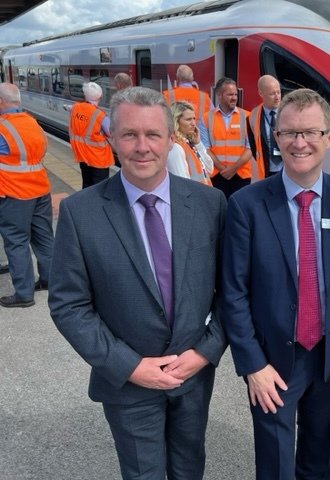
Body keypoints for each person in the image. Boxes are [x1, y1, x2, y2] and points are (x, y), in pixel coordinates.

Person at [49, 87, 227, 479]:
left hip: (192, 375)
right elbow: (68, 305)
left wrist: (204, 352)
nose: (142, 147)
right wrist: (129, 366)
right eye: (129, 134)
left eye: (153, 135)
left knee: (189, 467)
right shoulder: (81, 213)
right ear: (112, 138)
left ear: (170, 139)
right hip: (129, 382)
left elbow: (232, 290)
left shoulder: (209, 204)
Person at [222, 88, 330, 479]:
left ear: (329, 138)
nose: (299, 142)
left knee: (318, 460)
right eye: (289, 133)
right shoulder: (247, 205)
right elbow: (233, 291)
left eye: (310, 133)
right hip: (271, 362)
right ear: (276, 137)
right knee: (274, 464)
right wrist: (253, 365)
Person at [0, 82, 54, 308]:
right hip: (41, 189)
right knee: (44, 238)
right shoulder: (33, 122)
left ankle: (24, 294)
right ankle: (50, 280)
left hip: (14, 194)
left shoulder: (3, 129)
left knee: (16, 241)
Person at [200, 77, 253, 198]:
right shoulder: (206, 118)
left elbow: (249, 148)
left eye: (235, 94)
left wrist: (233, 169)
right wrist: (223, 169)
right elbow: (205, 149)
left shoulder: (247, 116)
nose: (234, 97)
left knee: (240, 212)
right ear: (219, 95)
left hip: (241, 175)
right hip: (217, 175)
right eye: (230, 94)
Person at [68, 82, 114, 188]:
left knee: (87, 186)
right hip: (98, 159)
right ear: (100, 97)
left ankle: (86, 204)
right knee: (100, 189)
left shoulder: (75, 108)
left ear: (85, 96)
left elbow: (70, 109)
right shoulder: (100, 115)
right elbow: (112, 133)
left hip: (82, 156)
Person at [167, 101, 214, 186]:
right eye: (188, 119)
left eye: (194, 119)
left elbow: (210, 169)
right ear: (176, 121)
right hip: (194, 198)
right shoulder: (176, 147)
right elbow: (182, 184)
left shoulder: (189, 143)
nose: (193, 123)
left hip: (203, 196)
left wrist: (198, 144)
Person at [247, 75, 282, 179]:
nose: (277, 97)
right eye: (272, 94)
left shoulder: (290, 112)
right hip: (267, 172)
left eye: (279, 92)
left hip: (288, 170)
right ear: (261, 94)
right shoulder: (253, 116)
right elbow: (254, 147)